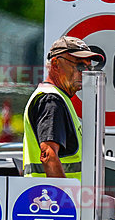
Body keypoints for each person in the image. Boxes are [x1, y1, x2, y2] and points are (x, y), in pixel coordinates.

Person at [23, 36, 103, 180]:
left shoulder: (59, 98)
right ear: (55, 64)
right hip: (53, 198)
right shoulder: (51, 100)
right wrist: (64, 197)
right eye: (79, 65)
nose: (84, 72)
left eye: (88, 67)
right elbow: (48, 155)